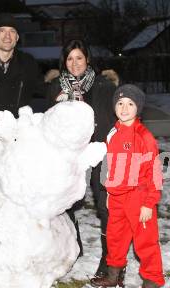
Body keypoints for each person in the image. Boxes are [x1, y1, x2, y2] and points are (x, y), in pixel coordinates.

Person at [45, 39, 118, 271]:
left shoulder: (103, 85)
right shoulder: (56, 88)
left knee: (105, 204)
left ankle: (110, 259)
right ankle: (72, 246)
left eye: (79, 57)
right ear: (63, 62)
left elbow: (117, 116)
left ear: (87, 59)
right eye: (69, 58)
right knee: (66, 202)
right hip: (69, 154)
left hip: (99, 150)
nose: (74, 63)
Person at [89, 84, 165, 288]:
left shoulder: (144, 136)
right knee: (115, 237)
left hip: (139, 198)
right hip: (118, 197)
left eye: (130, 104)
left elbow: (154, 172)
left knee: (145, 243)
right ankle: (114, 276)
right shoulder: (113, 132)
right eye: (120, 103)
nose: (124, 108)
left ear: (138, 108)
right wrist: (110, 190)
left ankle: (151, 287)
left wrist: (149, 203)